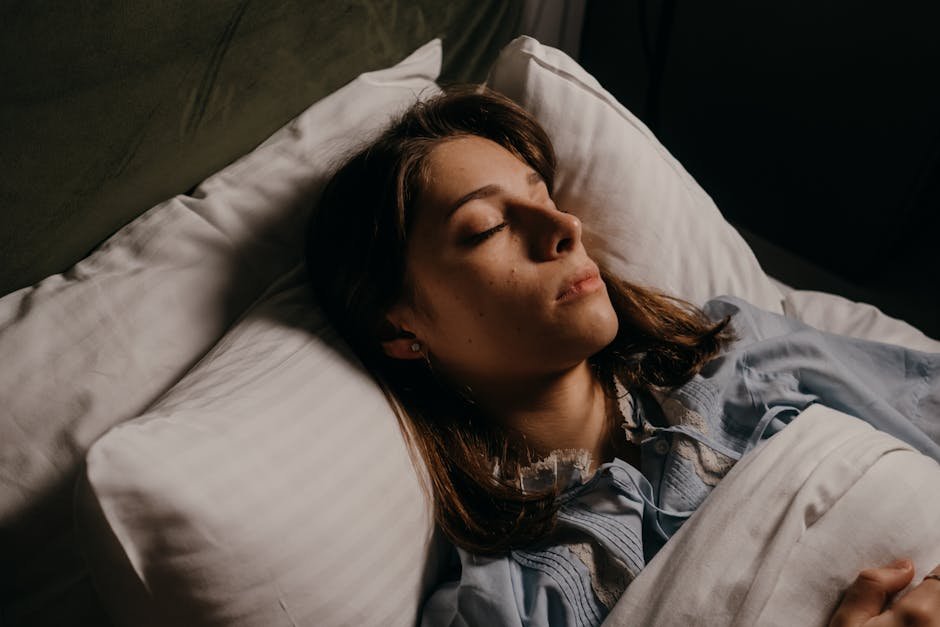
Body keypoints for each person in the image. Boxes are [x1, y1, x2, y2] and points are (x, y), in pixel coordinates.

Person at [304, 86, 940, 626]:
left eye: (543, 194)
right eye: (486, 228)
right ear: (402, 330)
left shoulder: (738, 351)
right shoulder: (507, 600)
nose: (565, 228)